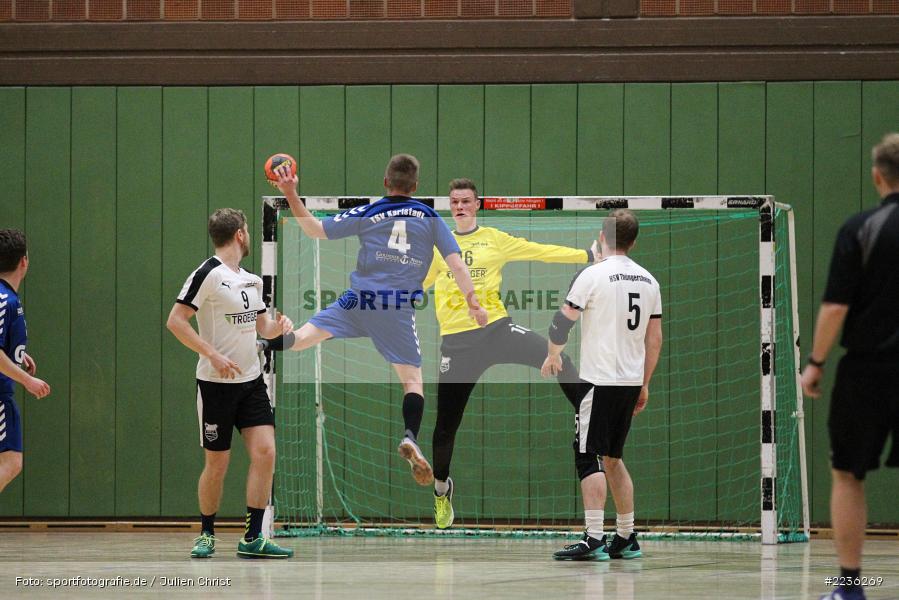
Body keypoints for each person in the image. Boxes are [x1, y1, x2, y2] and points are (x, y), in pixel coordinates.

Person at [272, 155, 488, 487]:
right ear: (416, 187)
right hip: (395, 307)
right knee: (412, 382)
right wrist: (474, 303)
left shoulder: (369, 211)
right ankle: (410, 436)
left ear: (385, 183)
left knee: (301, 339)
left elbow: (313, 229)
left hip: (358, 299)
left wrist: (289, 192)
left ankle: (268, 341)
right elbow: (457, 265)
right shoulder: (430, 217)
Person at [421, 178, 597, 529]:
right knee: (444, 427)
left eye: (466, 201)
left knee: (557, 356)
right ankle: (442, 490)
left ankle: (590, 417)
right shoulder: (438, 246)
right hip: (457, 344)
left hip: (497, 330)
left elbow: (538, 250)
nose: (459, 206)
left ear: (477, 205)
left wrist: (588, 256)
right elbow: (415, 284)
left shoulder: (495, 240)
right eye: (454, 201)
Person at [801, 133, 899, 600]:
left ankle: (850, 587)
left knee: (847, 473)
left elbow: (835, 308)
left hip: (870, 371)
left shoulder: (860, 228)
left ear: (877, 176)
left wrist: (816, 362)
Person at [167, 208, 295, 559]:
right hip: (215, 386)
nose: (249, 235)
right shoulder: (207, 273)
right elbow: (176, 321)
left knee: (266, 452)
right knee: (217, 463)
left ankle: (253, 537)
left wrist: (279, 324)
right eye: (248, 230)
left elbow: (262, 327)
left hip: (251, 381)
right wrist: (212, 354)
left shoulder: (252, 280)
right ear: (240, 234)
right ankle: (207, 533)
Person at [542, 209, 662, 561]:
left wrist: (553, 354)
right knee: (613, 457)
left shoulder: (592, 275)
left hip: (598, 381)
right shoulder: (649, 281)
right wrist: (644, 384)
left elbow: (561, 322)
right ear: (633, 241)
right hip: (629, 381)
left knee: (585, 454)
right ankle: (626, 536)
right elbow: (654, 341)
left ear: (601, 236)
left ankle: (594, 537)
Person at [0, 229, 51, 494]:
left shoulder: (8, 298)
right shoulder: (4, 299)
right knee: (10, 461)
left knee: (10, 460)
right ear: (24, 261)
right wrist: (27, 380)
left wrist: (16, 355)